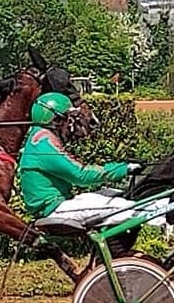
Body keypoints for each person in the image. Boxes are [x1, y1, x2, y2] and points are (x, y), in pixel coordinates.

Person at [17, 93, 136, 227]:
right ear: (57, 120)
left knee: (114, 194)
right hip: (55, 209)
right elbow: (81, 175)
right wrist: (126, 169)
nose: (72, 124)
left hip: (57, 205)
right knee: (128, 208)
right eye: (70, 118)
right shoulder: (43, 144)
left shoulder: (39, 137)